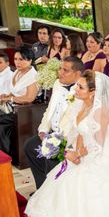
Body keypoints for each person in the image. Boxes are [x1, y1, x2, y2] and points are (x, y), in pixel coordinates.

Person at [25, 71, 109, 217]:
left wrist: (77, 154)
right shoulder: (82, 105)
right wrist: (75, 152)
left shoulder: (100, 111)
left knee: (79, 181)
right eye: (76, 85)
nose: (75, 89)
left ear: (93, 92)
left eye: (80, 87)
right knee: (63, 176)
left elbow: (98, 145)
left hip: (102, 154)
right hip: (85, 150)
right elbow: (80, 132)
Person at [25, 56, 84, 189]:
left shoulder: (81, 92)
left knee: (51, 157)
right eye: (60, 69)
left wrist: (57, 141)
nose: (60, 72)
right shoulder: (58, 84)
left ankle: (51, 191)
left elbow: (78, 125)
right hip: (51, 133)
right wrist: (43, 130)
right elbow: (49, 110)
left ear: (77, 74)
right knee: (30, 146)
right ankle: (42, 188)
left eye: (65, 70)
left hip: (68, 139)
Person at [0, 46, 39, 159]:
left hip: (23, 111)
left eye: (21, 59)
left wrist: (11, 99)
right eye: (16, 59)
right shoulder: (17, 71)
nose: (17, 62)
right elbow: (15, 91)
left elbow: (29, 98)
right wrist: (7, 95)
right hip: (12, 106)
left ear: (30, 60)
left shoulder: (33, 76)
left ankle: (3, 156)